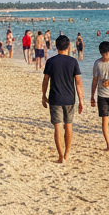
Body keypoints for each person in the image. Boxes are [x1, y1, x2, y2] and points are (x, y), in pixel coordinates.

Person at [41, 35, 83, 163]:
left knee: (58, 127)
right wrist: (81, 100)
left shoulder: (51, 61)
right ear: (69, 45)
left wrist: (43, 95)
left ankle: (60, 157)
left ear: (56, 46)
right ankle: (66, 154)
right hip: (69, 98)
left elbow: (46, 80)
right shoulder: (73, 61)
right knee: (68, 125)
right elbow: (78, 82)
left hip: (55, 98)